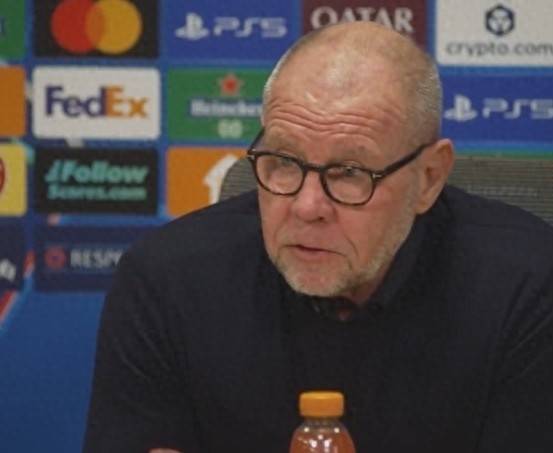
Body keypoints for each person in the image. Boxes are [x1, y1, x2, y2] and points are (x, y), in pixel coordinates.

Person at [83, 22, 553, 453]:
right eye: (284, 162)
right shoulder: (167, 281)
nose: (307, 207)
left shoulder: (528, 290)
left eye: (349, 172)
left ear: (428, 178)